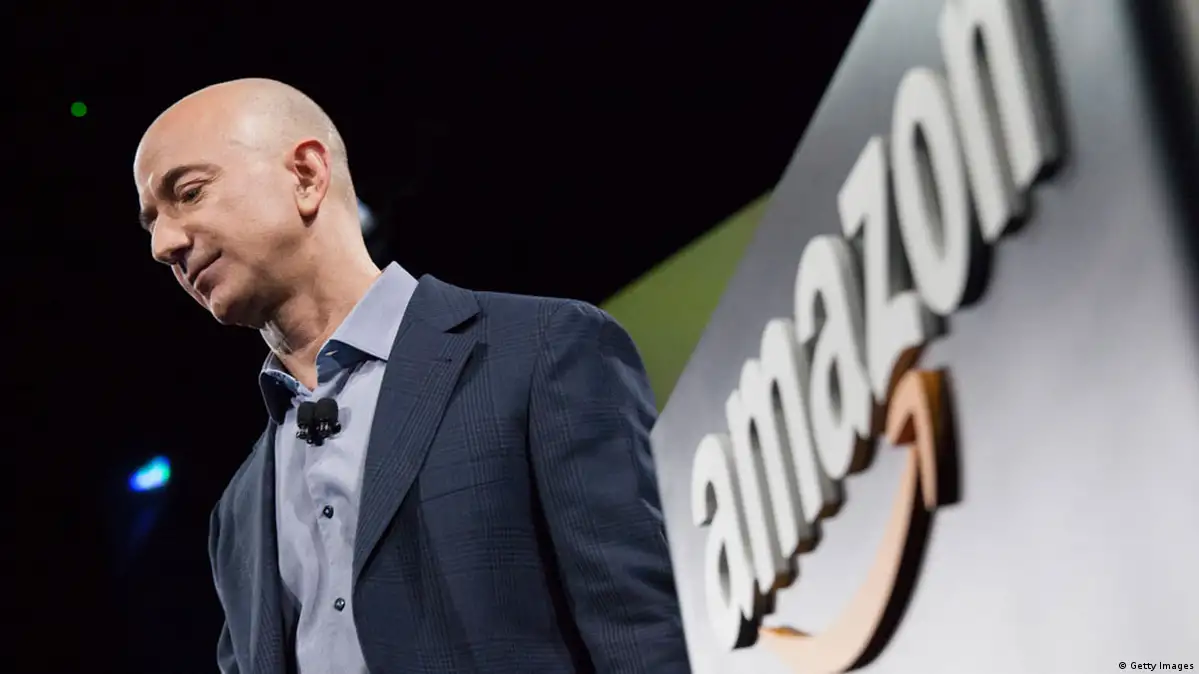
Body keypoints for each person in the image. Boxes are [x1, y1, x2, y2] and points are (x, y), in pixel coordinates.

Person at [133, 78, 691, 674]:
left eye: (189, 193)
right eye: (151, 224)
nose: (164, 245)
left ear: (306, 175)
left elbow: (643, 634)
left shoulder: (541, 350)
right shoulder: (236, 514)